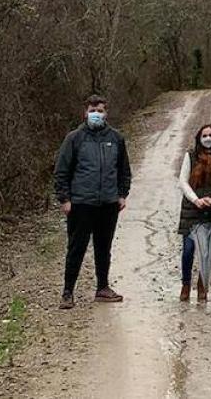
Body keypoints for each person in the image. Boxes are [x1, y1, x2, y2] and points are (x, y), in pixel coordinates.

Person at [53, 94, 131, 309]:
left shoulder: (116, 138)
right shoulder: (74, 138)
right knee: (76, 248)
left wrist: (122, 194)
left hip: (108, 203)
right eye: (92, 110)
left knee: (103, 247)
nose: (96, 114)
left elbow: (124, 170)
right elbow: (61, 171)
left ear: (107, 113)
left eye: (100, 110)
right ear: (85, 112)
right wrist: (65, 199)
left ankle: (103, 288)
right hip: (81, 204)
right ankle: (68, 292)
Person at [177, 124, 211, 302]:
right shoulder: (190, 156)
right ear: (199, 138)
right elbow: (183, 181)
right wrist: (195, 200)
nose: (208, 138)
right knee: (189, 249)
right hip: (192, 208)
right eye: (204, 135)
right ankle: (186, 284)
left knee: (207, 251)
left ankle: (202, 284)